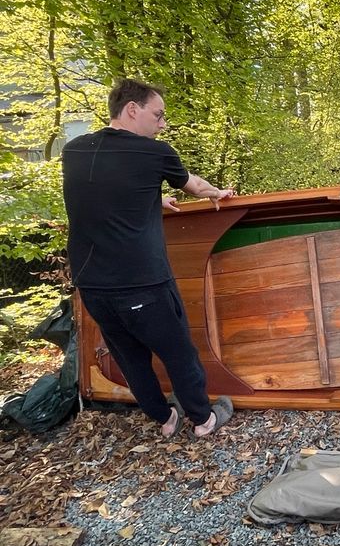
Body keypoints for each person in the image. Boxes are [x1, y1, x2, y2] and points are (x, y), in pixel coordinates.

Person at [62, 78, 235, 438]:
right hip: (142, 282)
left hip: (91, 284)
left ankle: (164, 418)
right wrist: (218, 191)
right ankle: (203, 420)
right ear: (132, 109)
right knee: (178, 353)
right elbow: (197, 187)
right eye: (158, 116)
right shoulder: (154, 152)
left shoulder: (75, 150)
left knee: (130, 357)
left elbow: (100, 197)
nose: (162, 125)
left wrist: (151, 200)